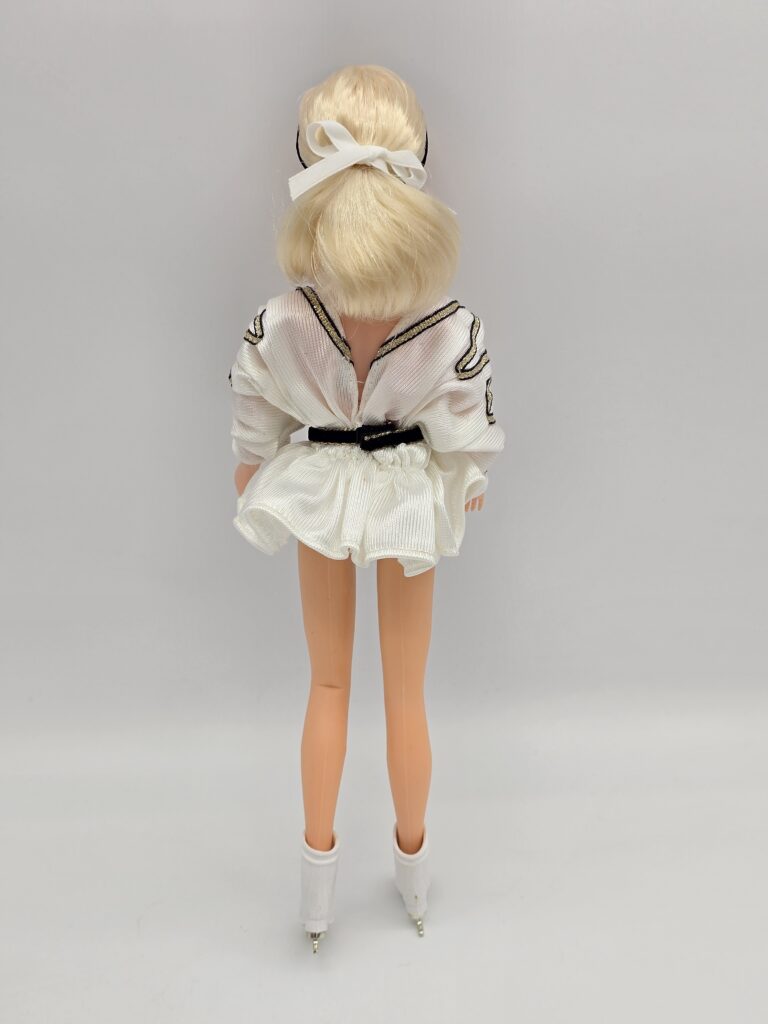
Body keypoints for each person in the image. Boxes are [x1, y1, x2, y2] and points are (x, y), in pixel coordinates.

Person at [228, 64, 505, 953]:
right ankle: (412, 872)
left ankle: (318, 893)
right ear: (417, 161)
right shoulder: (449, 325)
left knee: (329, 684)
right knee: (405, 692)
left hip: (318, 486)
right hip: (408, 494)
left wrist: (249, 462)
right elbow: (466, 425)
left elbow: (253, 401)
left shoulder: (284, 319)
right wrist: (466, 474)